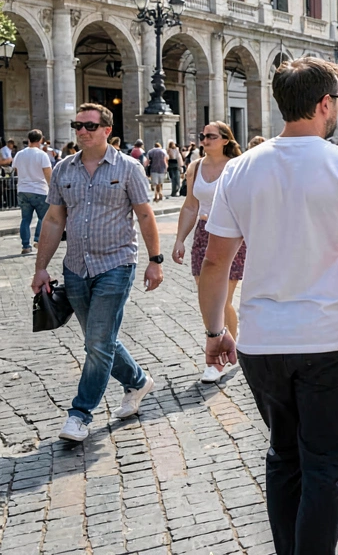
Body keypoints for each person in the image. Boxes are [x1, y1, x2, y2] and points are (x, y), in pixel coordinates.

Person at [196, 57, 338, 555]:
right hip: (332, 338)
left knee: (284, 457)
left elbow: (216, 263)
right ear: (325, 104)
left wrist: (214, 330)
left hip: (263, 342)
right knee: (325, 467)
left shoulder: (239, 170)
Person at [32, 104, 162, 443]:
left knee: (97, 341)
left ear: (107, 129)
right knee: (100, 341)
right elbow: (53, 220)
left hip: (116, 264)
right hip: (76, 267)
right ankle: (137, 381)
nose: (82, 131)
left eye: (90, 125)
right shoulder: (63, 170)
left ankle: (80, 414)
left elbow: (146, 216)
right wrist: (41, 267)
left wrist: (155, 259)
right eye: (78, 125)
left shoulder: (129, 167)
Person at [171, 121, 247, 383]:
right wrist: (180, 239)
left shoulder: (237, 166)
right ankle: (228, 343)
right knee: (207, 300)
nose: (204, 140)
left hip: (231, 235)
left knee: (222, 300)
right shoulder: (195, 166)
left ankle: (221, 355)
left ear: (226, 139)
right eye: (202, 136)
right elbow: (191, 205)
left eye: (211, 136)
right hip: (203, 234)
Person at [16, 129, 54, 255]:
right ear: (41, 140)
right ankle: (38, 239)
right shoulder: (42, 155)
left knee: (25, 219)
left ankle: (25, 246)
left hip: (23, 189)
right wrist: (52, 187)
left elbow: (16, 170)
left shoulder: (19, 154)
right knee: (43, 217)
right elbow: (48, 173)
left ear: (28, 139)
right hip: (39, 189)